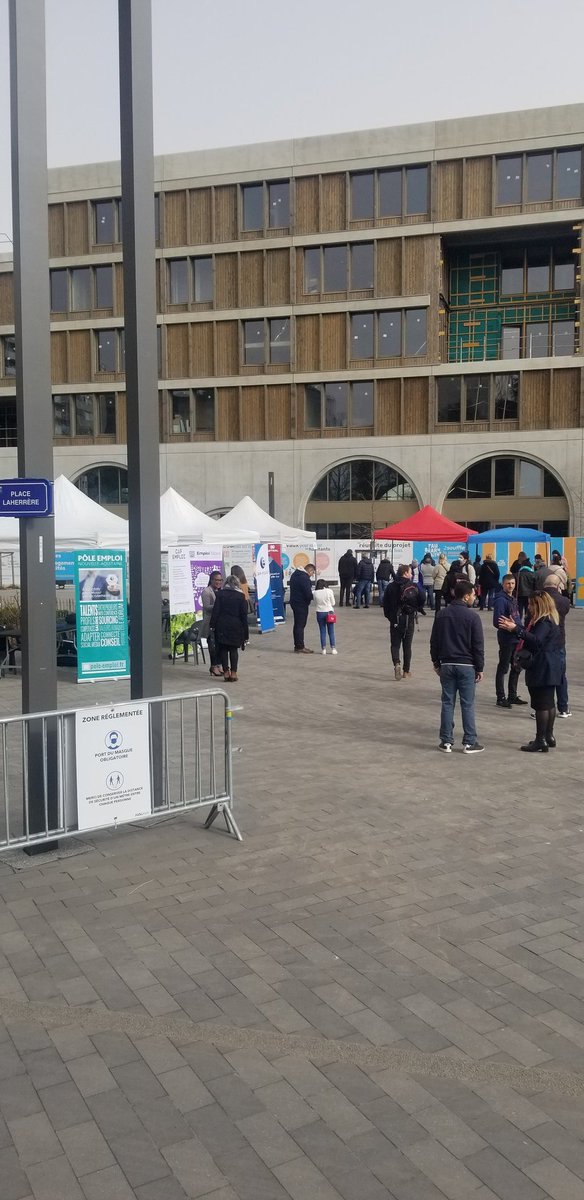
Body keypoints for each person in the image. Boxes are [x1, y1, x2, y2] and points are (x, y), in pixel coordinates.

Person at [499, 591, 563, 752]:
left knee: (541, 704)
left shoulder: (543, 622)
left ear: (539, 605)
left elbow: (535, 640)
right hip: (553, 665)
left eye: (531, 604)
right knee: (549, 702)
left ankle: (540, 739)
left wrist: (516, 630)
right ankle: (549, 736)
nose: (528, 607)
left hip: (542, 666)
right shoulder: (552, 619)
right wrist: (517, 626)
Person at [430, 578, 485, 754]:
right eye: (473, 595)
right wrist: (480, 667)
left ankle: (446, 741)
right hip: (466, 665)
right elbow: (478, 645)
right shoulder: (473, 617)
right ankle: (469, 741)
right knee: (467, 704)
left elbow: (434, 641)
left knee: (447, 702)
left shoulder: (442, 615)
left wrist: (436, 662)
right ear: (466, 596)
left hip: (447, 663)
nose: (475, 598)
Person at [384, 563, 424, 680]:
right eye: (410, 572)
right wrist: (416, 608)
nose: (411, 574)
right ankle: (406, 671)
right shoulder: (413, 585)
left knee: (395, 645)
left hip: (395, 619)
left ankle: (397, 663)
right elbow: (422, 598)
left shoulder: (391, 586)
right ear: (405, 573)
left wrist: (390, 617)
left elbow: (385, 603)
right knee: (407, 646)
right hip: (408, 619)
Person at [492, 574, 527, 707]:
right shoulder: (501, 600)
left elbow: (516, 617)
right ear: (503, 584)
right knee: (503, 667)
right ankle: (500, 697)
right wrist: (511, 627)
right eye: (508, 583)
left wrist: (519, 629)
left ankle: (512, 695)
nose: (510, 586)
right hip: (507, 638)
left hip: (516, 637)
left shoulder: (512, 598)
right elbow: (497, 621)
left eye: (512, 583)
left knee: (516, 666)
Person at [209, 574, 249, 682]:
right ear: (237, 584)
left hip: (222, 625)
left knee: (223, 649)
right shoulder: (241, 597)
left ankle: (226, 673)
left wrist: (212, 625)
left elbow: (216, 611)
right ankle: (234, 673)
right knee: (233, 650)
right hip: (236, 626)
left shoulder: (220, 594)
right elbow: (244, 616)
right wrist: (246, 634)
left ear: (226, 583)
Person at [544, 572, 571, 718]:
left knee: (543, 676)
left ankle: (542, 707)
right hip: (559, 641)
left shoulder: (539, 599)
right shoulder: (564, 601)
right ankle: (563, 707)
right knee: (561, 675)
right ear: (557, 585)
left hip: (542, 642)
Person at [200, 569, 223, 678]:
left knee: (218, 645)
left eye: (220, 580)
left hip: (219, 622)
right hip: (209, 622)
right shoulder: (207, 591)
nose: (218, 582)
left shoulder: (220, 590)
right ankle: (213, 666)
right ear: (211, 580)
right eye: (216, 580)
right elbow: (206, 607)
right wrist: (219, 605)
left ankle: (218, 665)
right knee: (212, 645)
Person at [289, 562, 315, 652]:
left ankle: (298, 645)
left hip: (294, 602)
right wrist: (311, 598)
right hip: (301, 604)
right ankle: (300, 646)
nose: (312, 575)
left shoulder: (295, 575)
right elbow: (307, 593)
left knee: (297, 624)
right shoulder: (304, 578)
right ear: (310, 570)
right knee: (300, 625)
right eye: (312, 573)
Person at [314, 579, 337, 655]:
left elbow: (315, 602)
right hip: (329, 612)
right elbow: (333, 603)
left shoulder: (315, 592)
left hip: (319, 612)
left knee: (322, 631)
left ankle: (323, 649)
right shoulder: (329, 591)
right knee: (331, 631)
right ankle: (333, 648)